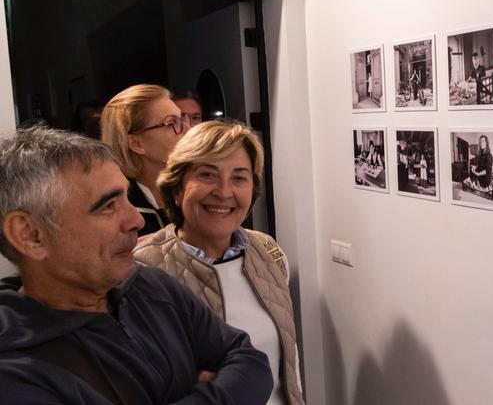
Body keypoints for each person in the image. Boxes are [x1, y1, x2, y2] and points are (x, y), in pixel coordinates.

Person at [0, 125, 272, 404]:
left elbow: (252, 363)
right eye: (107, 206)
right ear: (30, 234)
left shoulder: (151, 287)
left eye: (126, 198)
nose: (137, 220)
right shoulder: (14, 372)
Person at [134, 120, 305, 405]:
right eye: (207, 175)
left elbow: (289, 366)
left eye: (239, 177)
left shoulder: (269, 252)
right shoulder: (142, 268)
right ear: (177, 189)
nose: (224, 192)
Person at [102, 84, 191, 235]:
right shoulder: (119, 216)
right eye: (172, 123)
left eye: (183, 119)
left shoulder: (199, 187)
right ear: (136, 144)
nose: (188, 129)